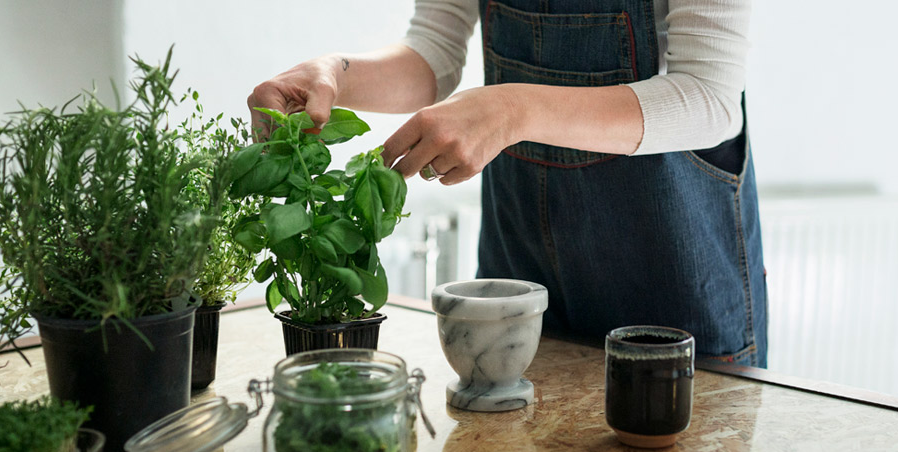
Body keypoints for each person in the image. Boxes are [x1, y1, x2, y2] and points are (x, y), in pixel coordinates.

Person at [248, 0, 768, 367]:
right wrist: (333, 75)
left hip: (670, 280)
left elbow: (707, 97)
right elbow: (434, 49)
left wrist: (511, 109)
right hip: (521, 274)